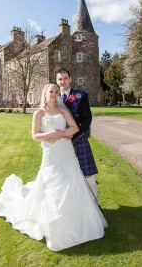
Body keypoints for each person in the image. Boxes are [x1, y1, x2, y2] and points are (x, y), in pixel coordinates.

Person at [0, 84, 107, 251]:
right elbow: (35, 135)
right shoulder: (39, 113)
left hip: (66, 152)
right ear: (45, 94)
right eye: (51, 91)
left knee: (72, 181)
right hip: (51, 154)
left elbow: (74, 127)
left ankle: (77, 219)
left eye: (56, 92)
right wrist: (50, 134)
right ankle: (54, 221)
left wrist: (64, 134)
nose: (54, 94)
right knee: (50, 184)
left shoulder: (63, 111)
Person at [56, 68, 99, 203]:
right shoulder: (53, 97)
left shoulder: (81, 95)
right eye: (60, 79)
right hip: (61, 141)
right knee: (64, 172)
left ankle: (95, 201)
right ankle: (72, 203)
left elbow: (87, 119)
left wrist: (73, 134)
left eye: (65, 78)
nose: (63, 82)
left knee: (87, 172)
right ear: (57, 81)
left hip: (79, 138)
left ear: (70, 79)